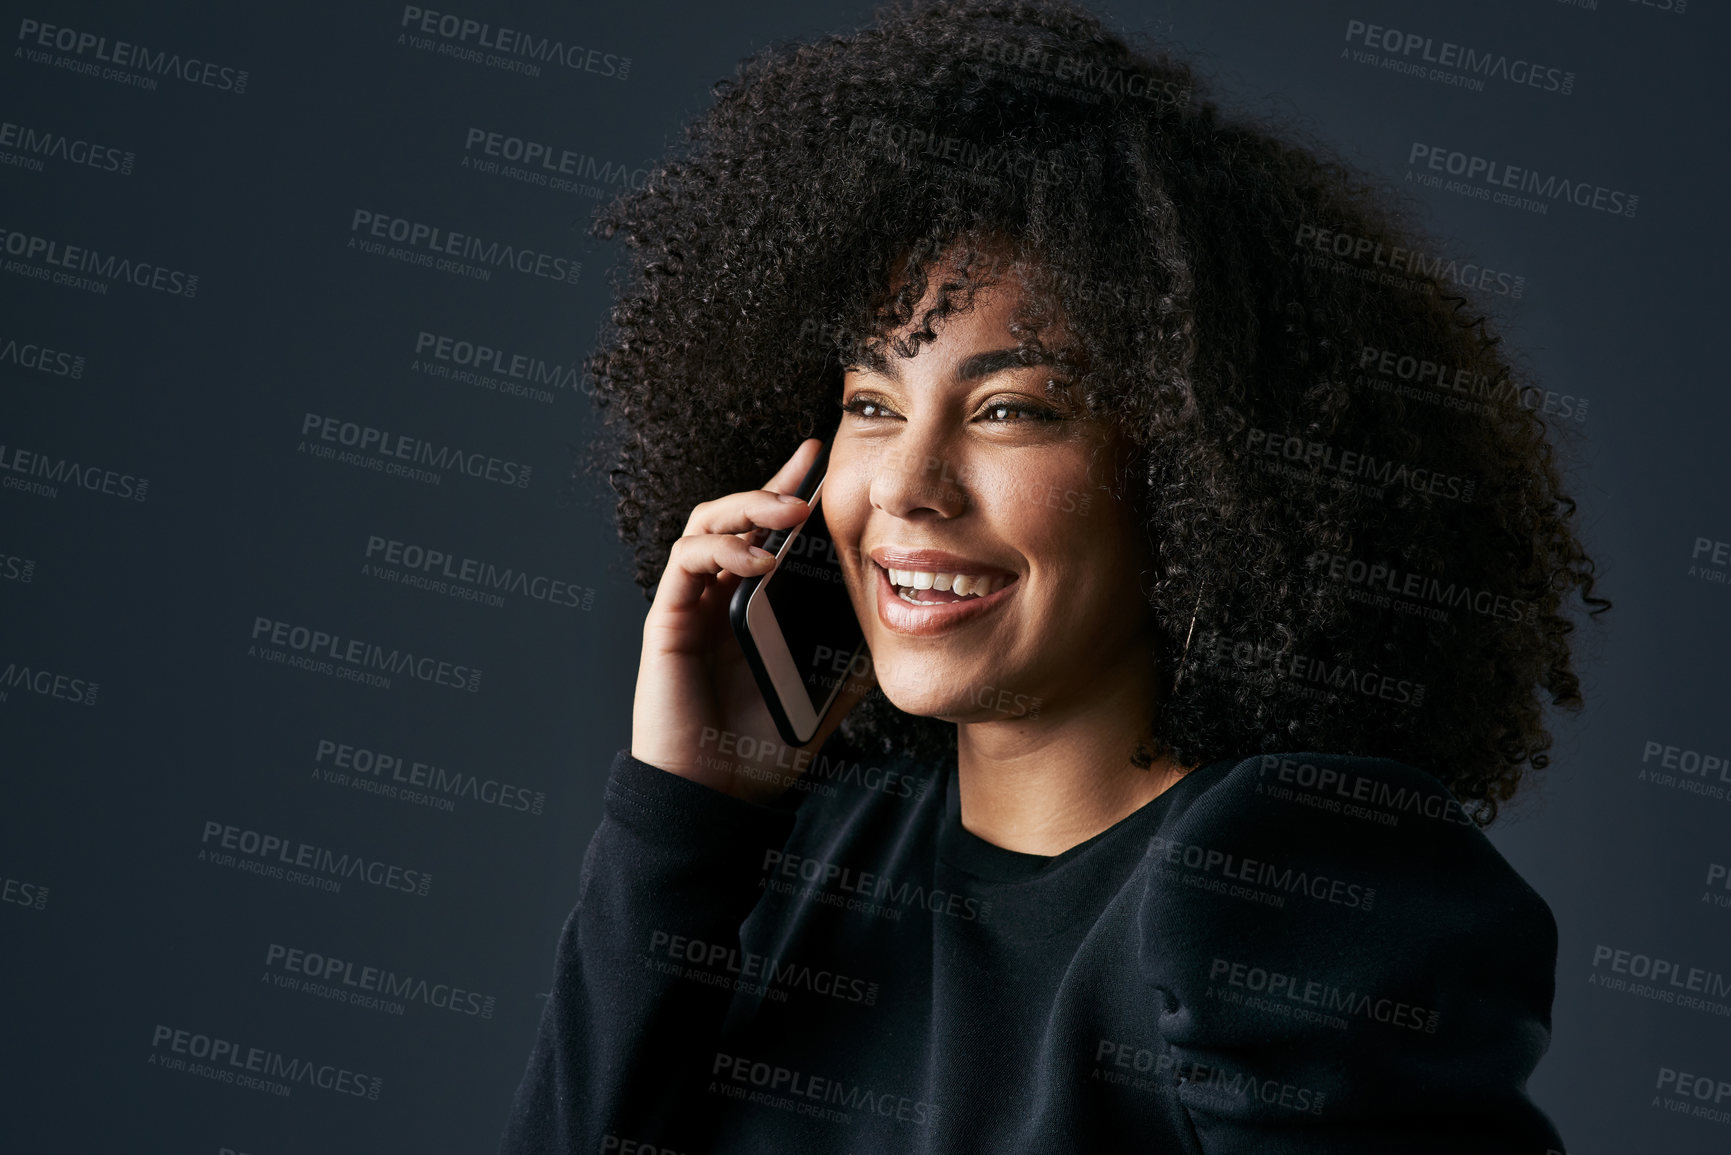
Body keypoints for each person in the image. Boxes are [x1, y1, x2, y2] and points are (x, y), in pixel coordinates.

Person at [499, 1, 1604, 1151]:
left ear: (1192, 472)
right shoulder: (814, 850)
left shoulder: (1271, 879)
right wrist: (682, 812)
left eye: (1011, 410)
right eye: (872, 405)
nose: (908, 487)